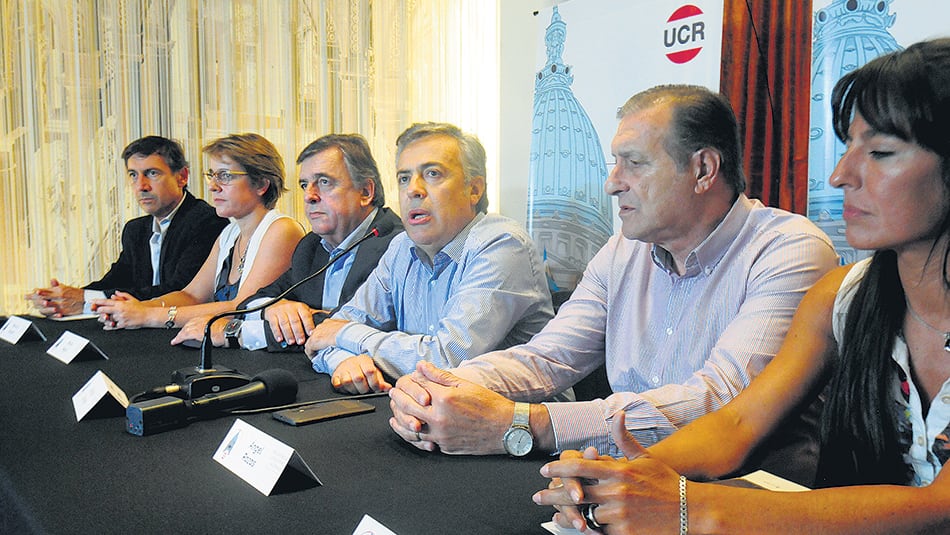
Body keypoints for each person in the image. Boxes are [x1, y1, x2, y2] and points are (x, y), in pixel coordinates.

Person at [533, 39, 950, 534]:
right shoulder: (843, 297)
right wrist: (625, 478)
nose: (841, 175)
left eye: (881, 152)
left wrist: (689, 507)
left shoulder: (792, 249)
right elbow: (735, 424)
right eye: (848, 148)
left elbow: (940, 507)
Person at [388, 85, 838, 465]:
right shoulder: (625, 248)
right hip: (622, 480)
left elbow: (719, 403)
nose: (612, 182)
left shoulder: (789, 250)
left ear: (702, 169)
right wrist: (439, 386)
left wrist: (529, 424)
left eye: (634, 163)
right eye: (613, 163)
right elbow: (549, 358)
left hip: (741, 495)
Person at [304, 122, 554, 394]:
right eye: (404, 178)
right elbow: (327, 333)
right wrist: (346, 361)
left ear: (474, 189)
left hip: (520, 424)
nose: (413, 190)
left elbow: (446, 362)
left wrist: (346, 336)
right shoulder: (401, 247)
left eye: (432, 174)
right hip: (427, 413)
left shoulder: (502, 245)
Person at [172, 134, 403, 349]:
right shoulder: (312, 245)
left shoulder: (394, 245)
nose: (309, 196)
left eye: (324, 182)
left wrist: (235, 332)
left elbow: (345, 329)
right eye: (305, 185)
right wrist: (275, 306)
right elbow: (254, 300)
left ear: (365, 191)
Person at [91, 133, 305, 331]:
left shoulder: (281, 229)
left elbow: (241, 309)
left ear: (260, 184)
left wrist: (149, 315)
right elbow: (191, 295)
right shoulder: (230, 234)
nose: (213, 186)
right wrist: (136, 307)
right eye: (212, 175)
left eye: (225, 176)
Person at [25, 136, 228, 317]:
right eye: (133, 175)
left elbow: (180, 291)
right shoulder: (135, 229)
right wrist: (63, 299)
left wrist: (85, 300)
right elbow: (116, 281)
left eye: (152, 173)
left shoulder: (207, 222)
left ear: (182, 177)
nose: (141, 186)